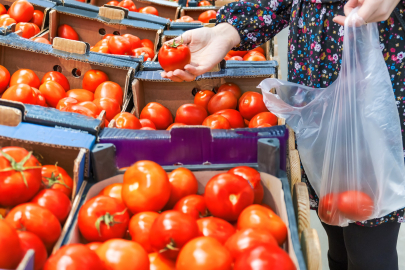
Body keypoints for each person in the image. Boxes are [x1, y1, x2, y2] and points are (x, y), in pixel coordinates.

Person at [162, 0, 405, 269]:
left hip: (375, 64)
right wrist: (227, 31)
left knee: (369, 238)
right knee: (333, 220)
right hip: (315, 70)